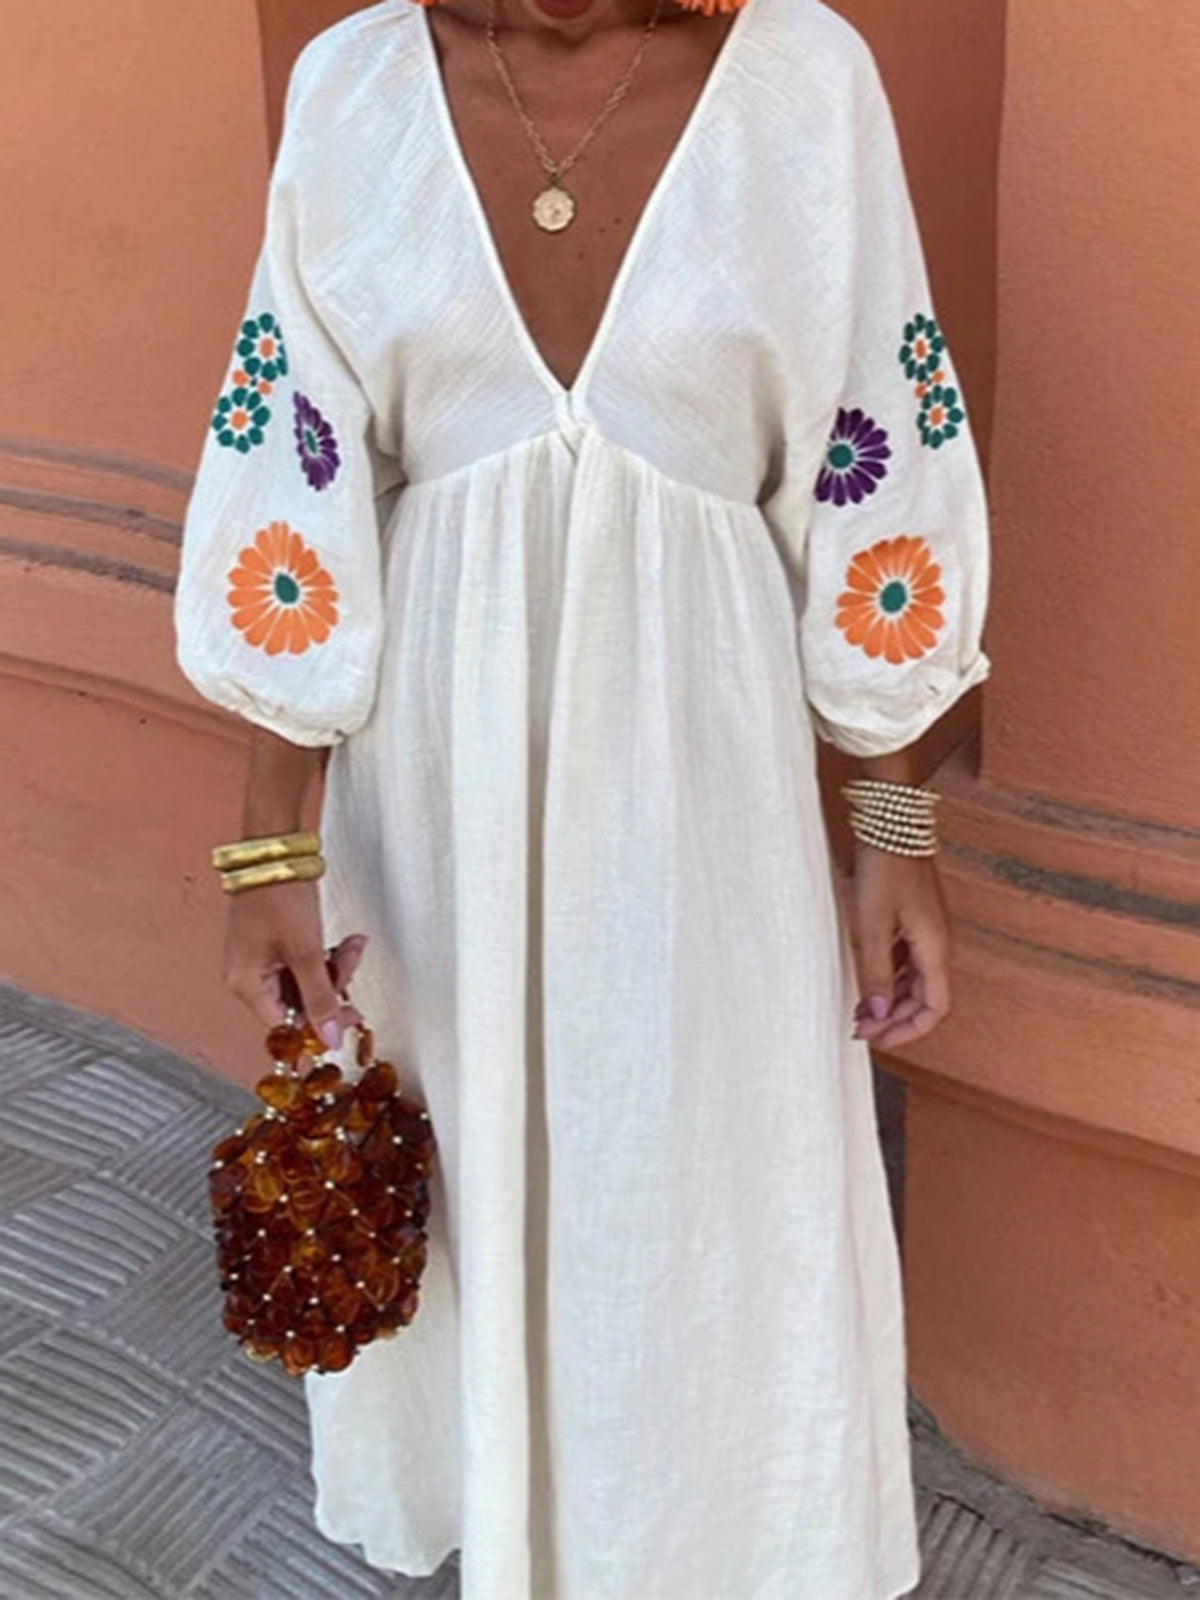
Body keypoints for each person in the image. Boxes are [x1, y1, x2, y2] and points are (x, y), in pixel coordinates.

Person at [173, 0, 990, 1592]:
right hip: (433, 792)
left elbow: (875, 474)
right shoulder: (355, 90)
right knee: (468, 1164)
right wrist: (270, 853)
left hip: (710, 794)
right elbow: (299, 480)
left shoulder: (807, 84)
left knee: (699, 1171)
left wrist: (894, 834)